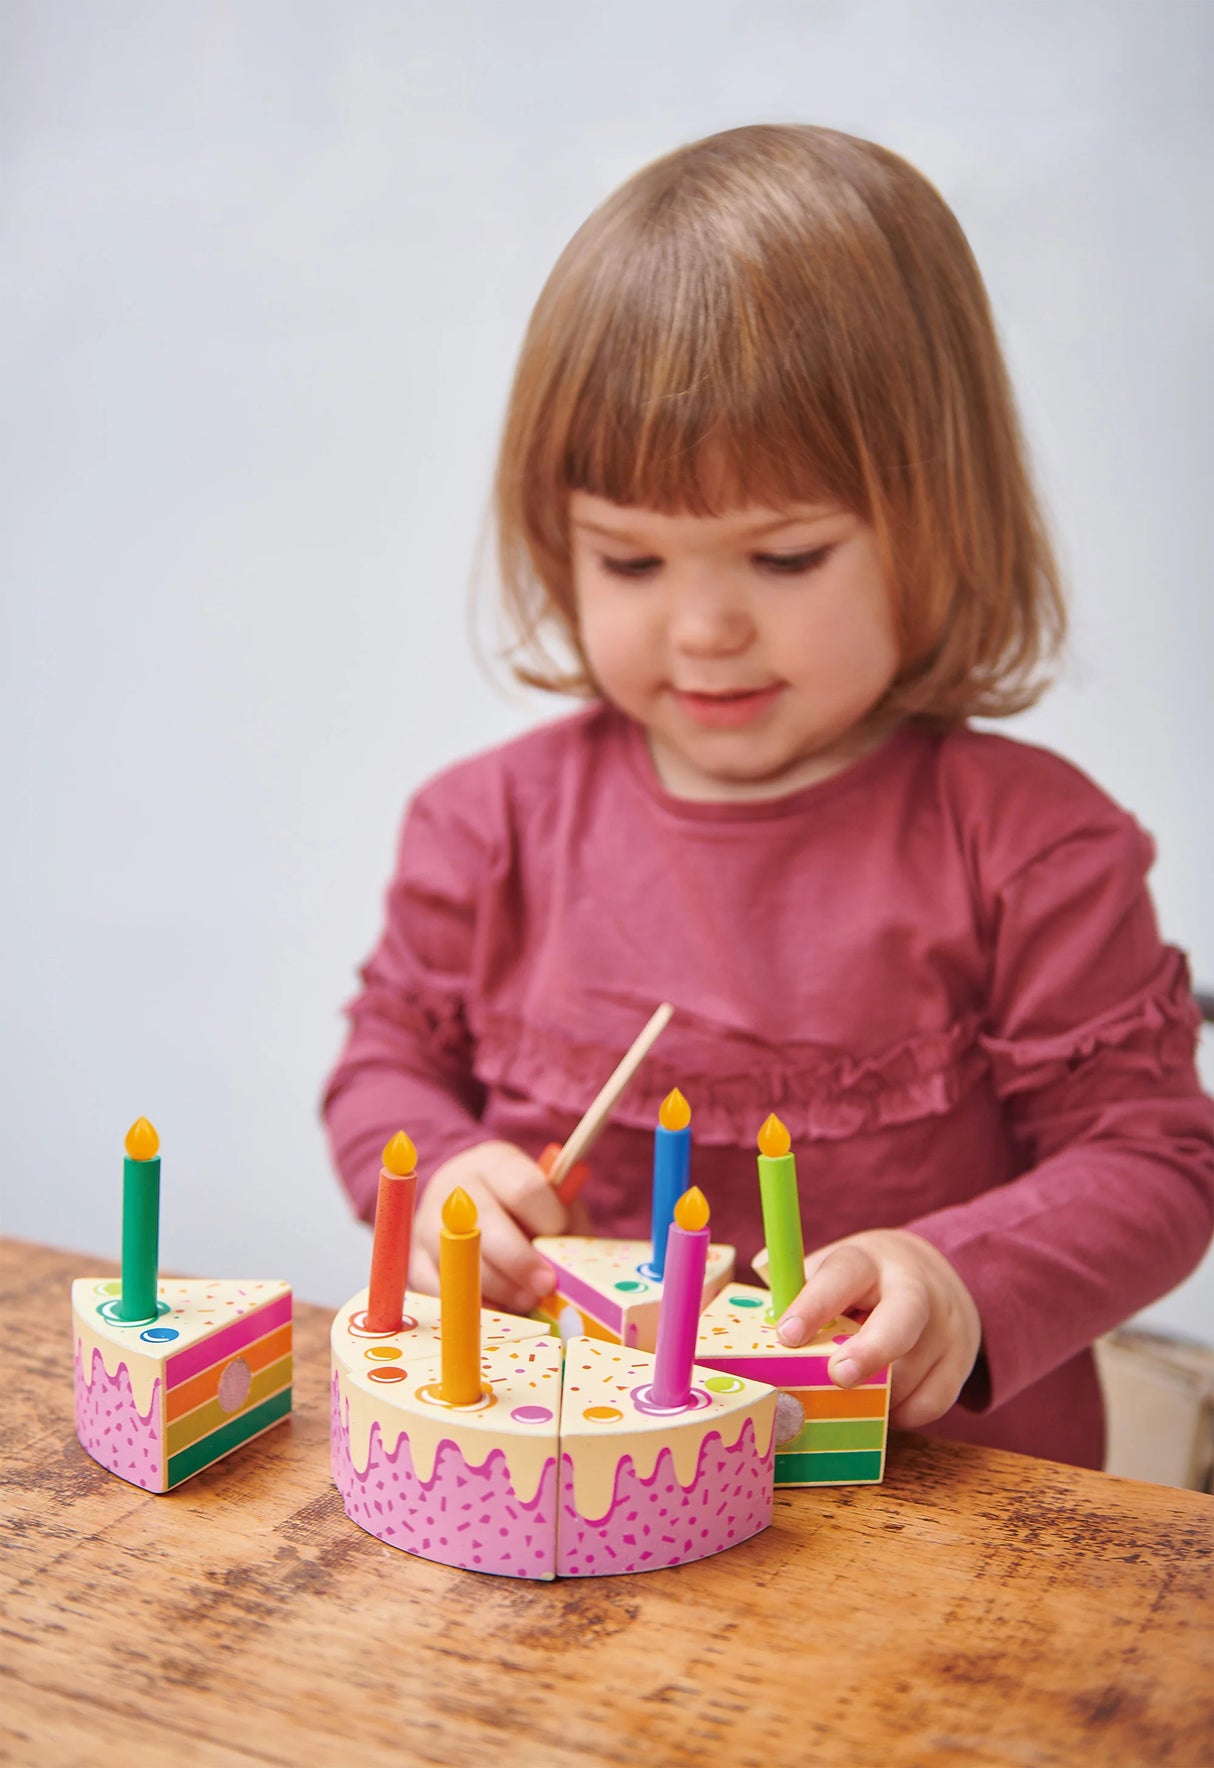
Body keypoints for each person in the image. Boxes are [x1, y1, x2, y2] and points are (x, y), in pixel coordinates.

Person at [323, 124, 1213, 1469]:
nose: (702, 630)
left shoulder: (1032, 849)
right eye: (628, 561)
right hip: (566, 1489)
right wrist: (440, 1173)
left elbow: (1151, 1165)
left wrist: (957, 1276)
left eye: (784, 556)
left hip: (926, 1528)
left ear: (942, 520)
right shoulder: (484, 830)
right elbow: (384, 1066)